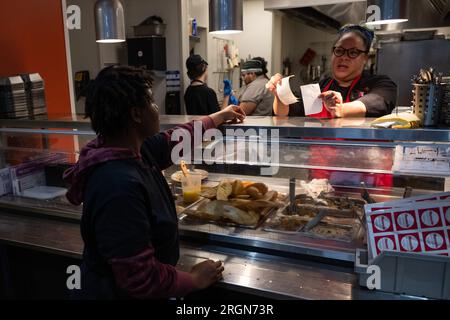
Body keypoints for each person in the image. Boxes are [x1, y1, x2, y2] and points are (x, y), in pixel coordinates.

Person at [64, 65, 245, 299]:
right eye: (151, 101)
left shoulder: (134, 149)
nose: (156, 108)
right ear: (136, 114)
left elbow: (175, 139)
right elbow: (139, 278)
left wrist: (218, 117)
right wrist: (194, 279)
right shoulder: (117, 185)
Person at [268, 24, 397, 118]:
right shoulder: (318, 89)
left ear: (365, 58)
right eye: (339, 51)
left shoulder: (382, 84)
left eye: (353, 52)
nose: (344, 57)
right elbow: (285, 112)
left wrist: (341, 109)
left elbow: (377, 102)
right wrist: (280, 96)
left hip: (359, 154)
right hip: (318, 154)